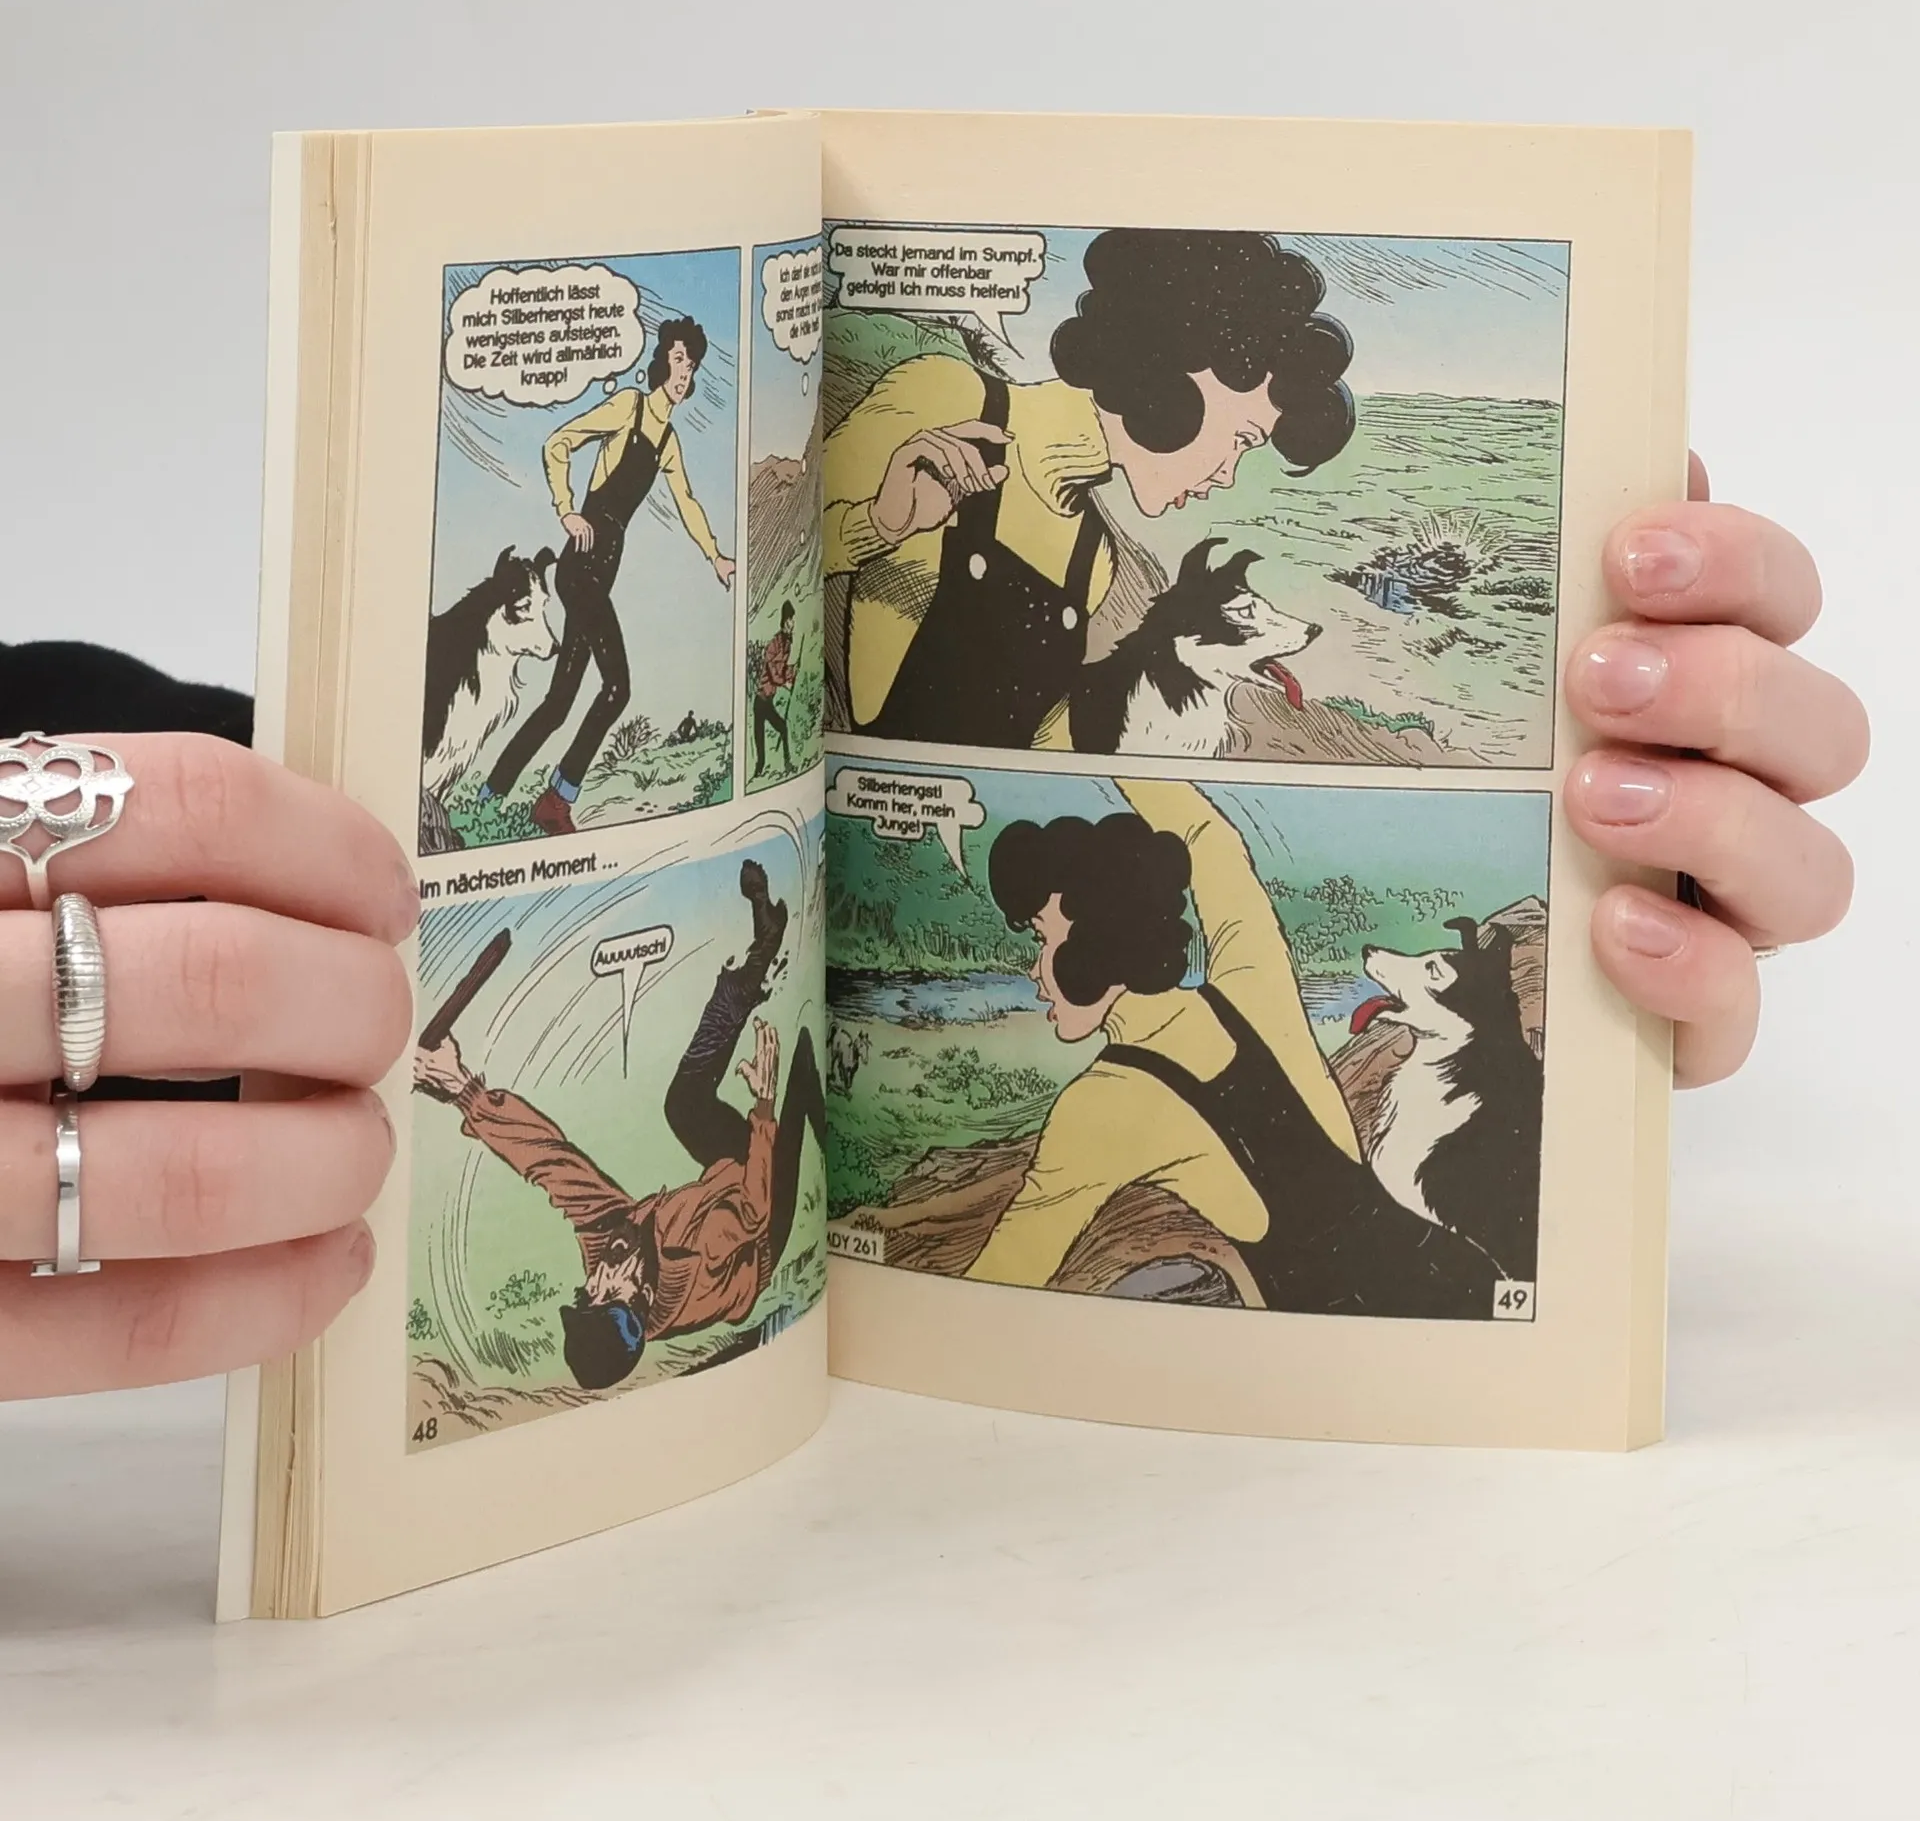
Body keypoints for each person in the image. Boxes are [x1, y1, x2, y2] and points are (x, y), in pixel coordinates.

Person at [0, 465, 1873, 1395]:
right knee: (738, 1084)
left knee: (740, 1082)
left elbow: (1021, 1210)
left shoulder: (1111, 1101)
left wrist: (1582, 834)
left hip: (1389, 1339)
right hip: (1403, 1284)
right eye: (616, 1305)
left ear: (1088, 962)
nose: (612, 1282)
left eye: (1046, 939)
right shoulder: (1239, 998)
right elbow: (1208, 849)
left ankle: (749, 977)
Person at [971, 780, 1498, 1314]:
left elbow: (1008, 1267)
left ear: (1095, 944)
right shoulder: (1249, 984)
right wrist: (1101, 754)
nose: (1034, 971)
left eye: (1042, 939)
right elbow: (1208, 838)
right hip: (1461, 1279)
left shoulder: (1104, 1099)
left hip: (1346, 1328)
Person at [823, 230, 1354, 748]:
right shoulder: (947, 399)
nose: (1227, 475)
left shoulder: (1094, 556)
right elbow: (783, 565)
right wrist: (878, 525)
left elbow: (1044, 737)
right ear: (1177, 379)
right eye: (1240, 440)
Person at [411, 862, 824, 1387]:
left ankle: (759, 958)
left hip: (727, 1187)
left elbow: (554, 1163)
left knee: (684, 1105)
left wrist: (461, 1088)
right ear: (646, 1297)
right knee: (802, 1067)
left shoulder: (610, 1250)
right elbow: (751, 1208)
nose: (598, 1276)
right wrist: (763, 1106)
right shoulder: (691, 1254)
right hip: (759, 1230)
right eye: (609, 1293)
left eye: (588, 1293)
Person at [480, 318, 734, 837]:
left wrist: (715, 556)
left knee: (559, 702)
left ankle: (490, 795)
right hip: (582, 566)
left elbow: (687, 502)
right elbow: (558, 443)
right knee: (617, 688)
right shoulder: (628, 408)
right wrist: (567, 511)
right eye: (679, 360)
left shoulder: (668, 442)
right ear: (662, 361)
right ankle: (557, 799)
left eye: (692, 365)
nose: (685, 373)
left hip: (604, 569)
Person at [753, 599, 798, 780]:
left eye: (793, 619)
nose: (793, 623)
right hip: (761, 700)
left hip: (768, 700)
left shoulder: (787, 644)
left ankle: (787, 763)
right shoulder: (774, 644)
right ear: (785, 620)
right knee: (760, 739)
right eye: (791, 619)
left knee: (783, 728)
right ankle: (758, 771)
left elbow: (783, 668)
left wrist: (792, 672)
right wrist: (785, 683)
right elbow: (773, 673)